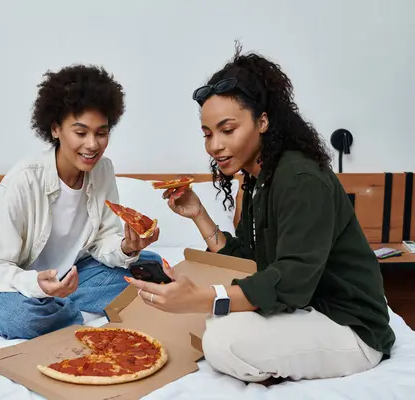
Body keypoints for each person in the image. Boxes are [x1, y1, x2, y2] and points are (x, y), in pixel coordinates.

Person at [125, 44, 395, 383]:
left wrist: (203, 297)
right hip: (305, 309)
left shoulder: (299, 179)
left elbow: (292, 277)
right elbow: (252, 262)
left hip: (349, 325)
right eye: (208, 134)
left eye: (227, 130)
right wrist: (199, 215)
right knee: (215, 318)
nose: (214, 146)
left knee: (222, 339)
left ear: (263, 121)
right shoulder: (258, 179)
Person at [0, 64, 161, 339]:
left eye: (101, 132)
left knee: (149, 265)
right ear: (56, 129)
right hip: (11, 282)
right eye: (81, 132)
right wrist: (36, 285)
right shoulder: (23, 180)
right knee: (22, 318)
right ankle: (67, 310)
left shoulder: (103, 170)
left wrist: (126, 247)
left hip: (72, 275)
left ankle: (60, 304)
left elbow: (102, 242)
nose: (93, 145)